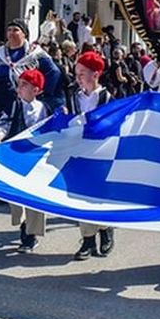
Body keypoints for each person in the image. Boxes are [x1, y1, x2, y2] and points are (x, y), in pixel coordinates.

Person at [0, 19, 62, 144]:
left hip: (22, 106)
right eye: (9, 30)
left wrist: (41, 93)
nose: (11, 33)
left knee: (21, 140)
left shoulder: (35, 54)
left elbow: (54, 72)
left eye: (16, 30)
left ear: (24, 34)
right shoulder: (0, 55)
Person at [0, 67, 49, 253]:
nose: (20, 88)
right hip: (16, 157)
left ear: (36, 90)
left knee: (34, 196)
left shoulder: (45, 109)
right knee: (16, 197)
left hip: (37, 159)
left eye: (25, 85)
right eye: (19, 84)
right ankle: (22, 222)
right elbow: (4, 122)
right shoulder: (14, 105)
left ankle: (30, 235)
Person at [69, 51, 115, 260]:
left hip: (101, 153)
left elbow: (113, 126)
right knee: (81, 197)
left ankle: (105, 229)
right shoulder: (73, 97)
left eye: (82, 73)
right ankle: (87, 240)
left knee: (99, 197)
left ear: (95, 74)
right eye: (77, 73)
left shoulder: (108, 98)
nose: (78, 78)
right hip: (79, 152)